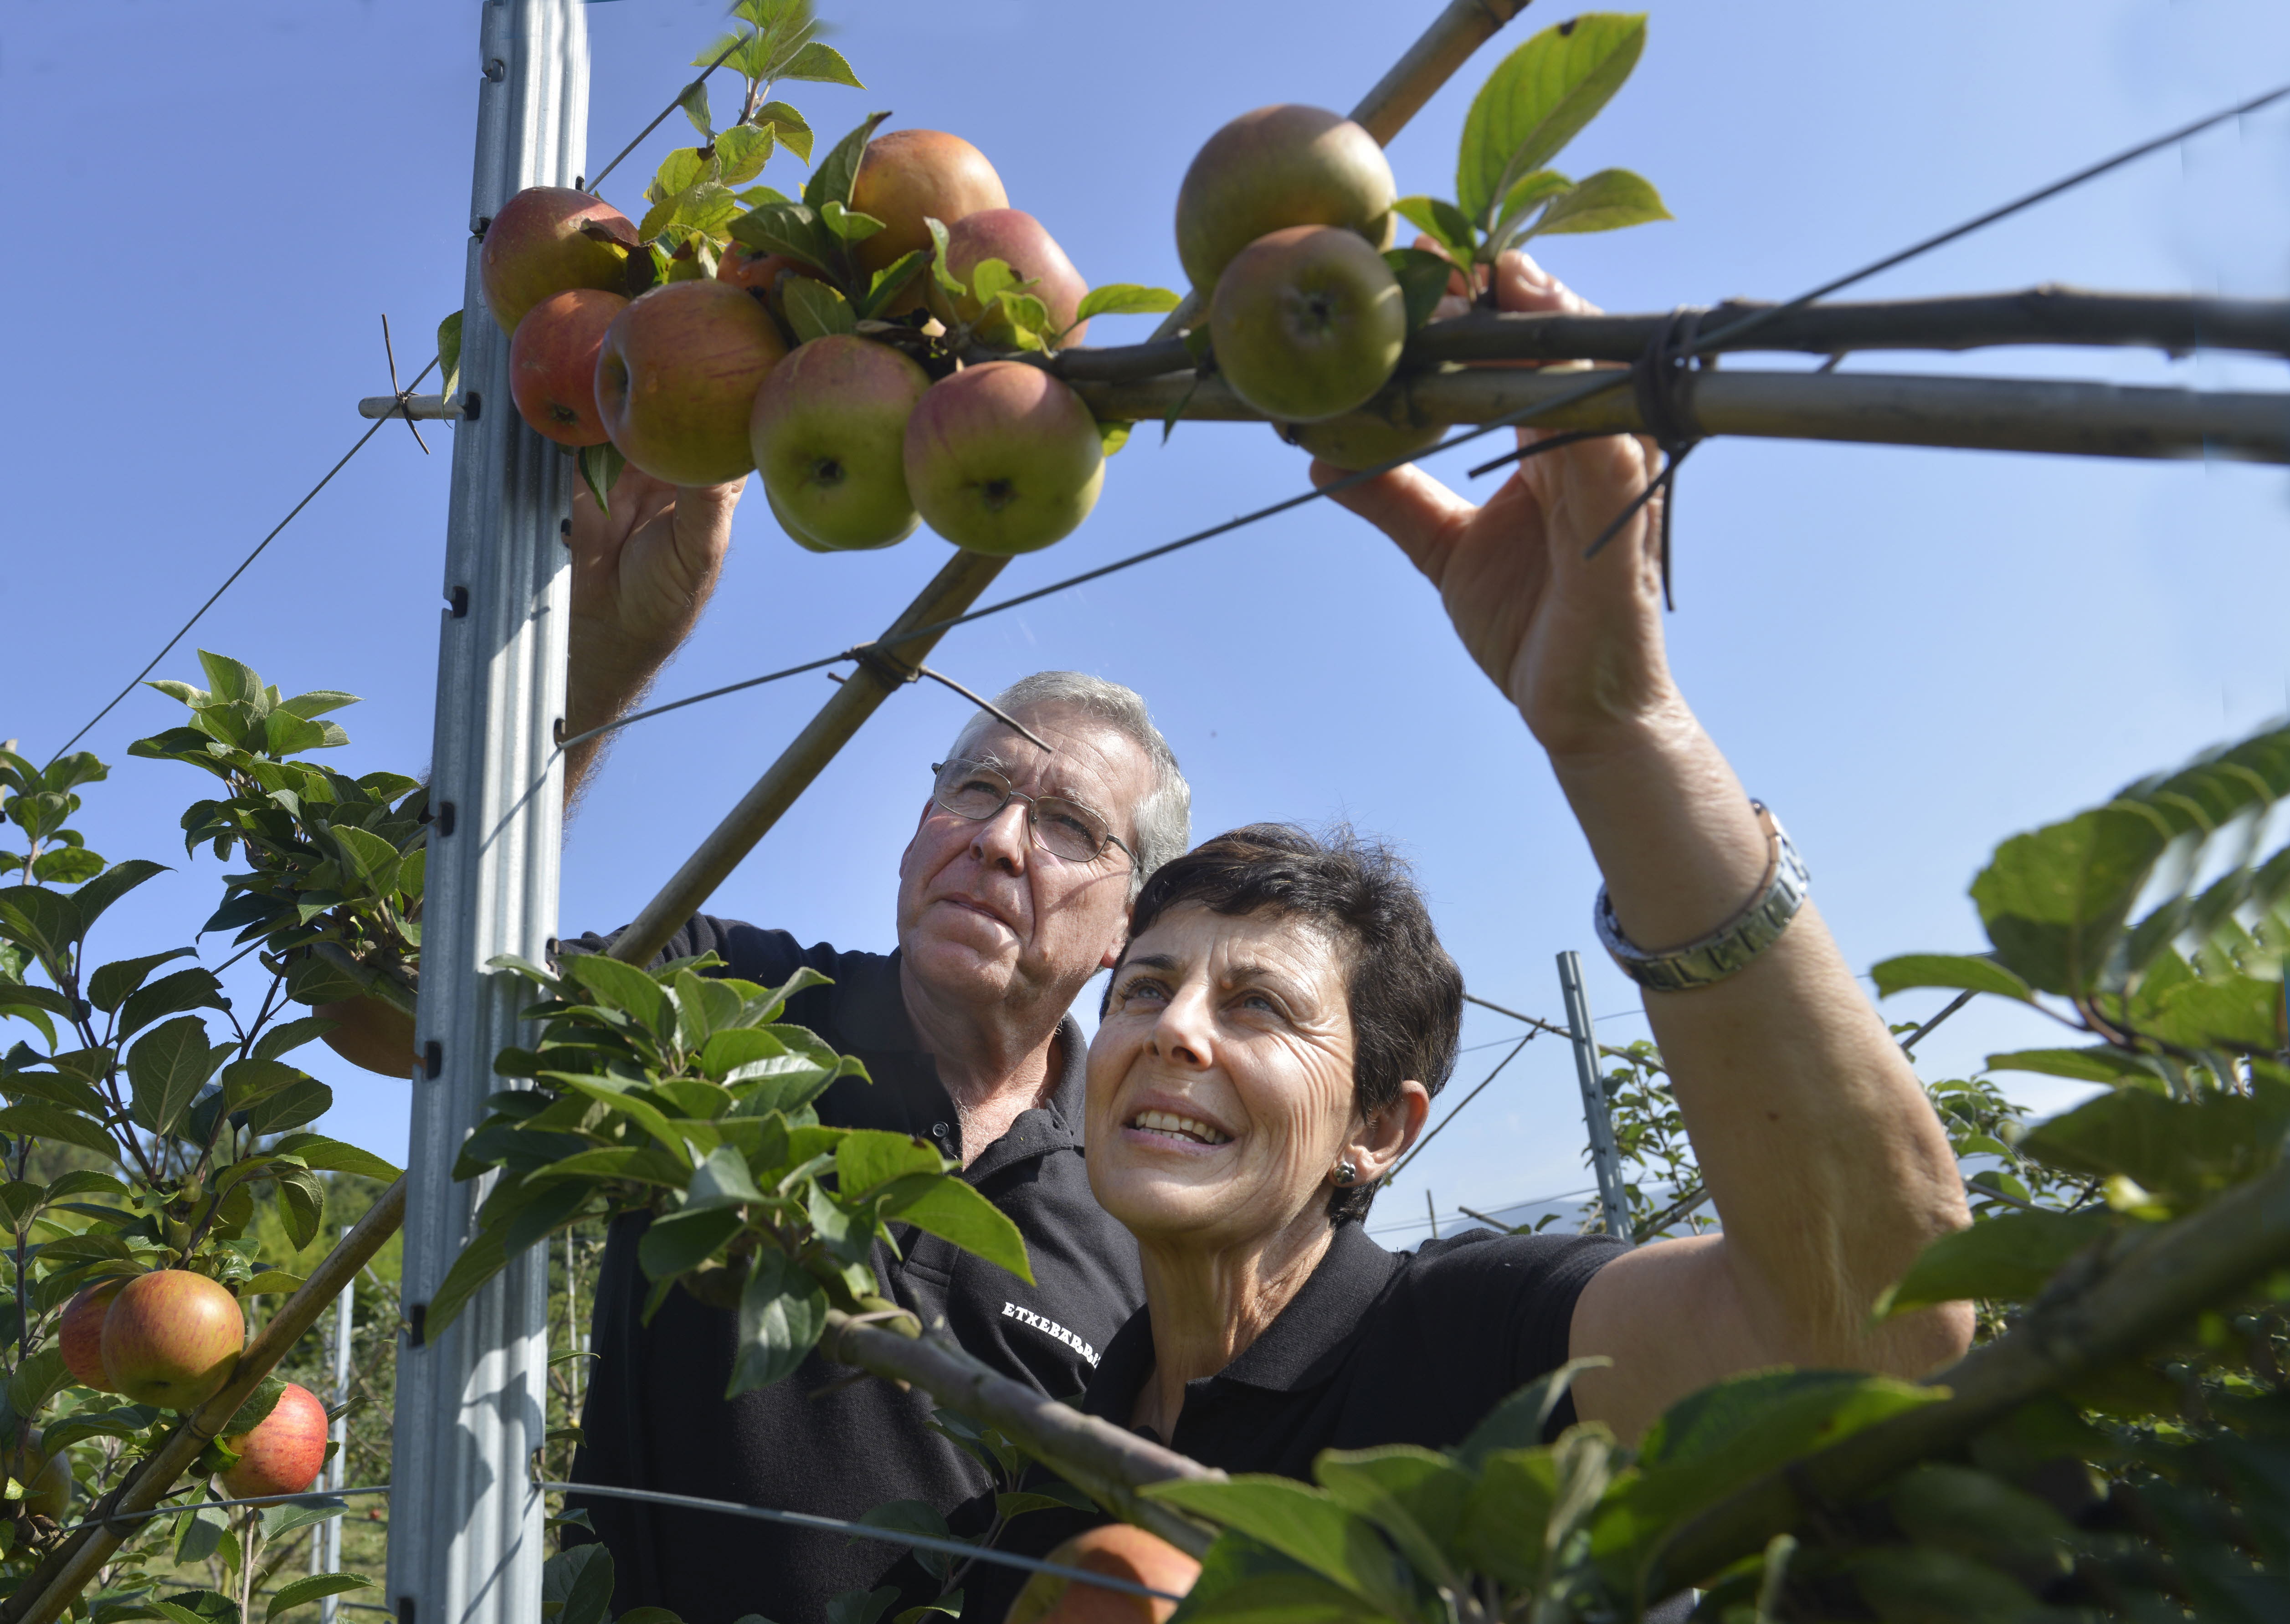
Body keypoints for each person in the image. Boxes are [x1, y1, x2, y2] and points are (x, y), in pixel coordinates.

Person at [965, 250, 1974, 1619]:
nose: (1172, 1030)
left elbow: (1870, 1334)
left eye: (1258, 1005)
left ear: (1380, 1129)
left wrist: (1618, 734)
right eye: (1144, 987)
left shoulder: (1473, 1346)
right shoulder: (1066, 1441)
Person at [558, 473, 1191, 1624]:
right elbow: (408, 1011)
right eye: (976, 789)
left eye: (1066, 825)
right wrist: (592, 669)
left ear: (1127, 930)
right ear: (917, 831)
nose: (1000, 841)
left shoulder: (1135, 1208)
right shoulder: (725, 1000)